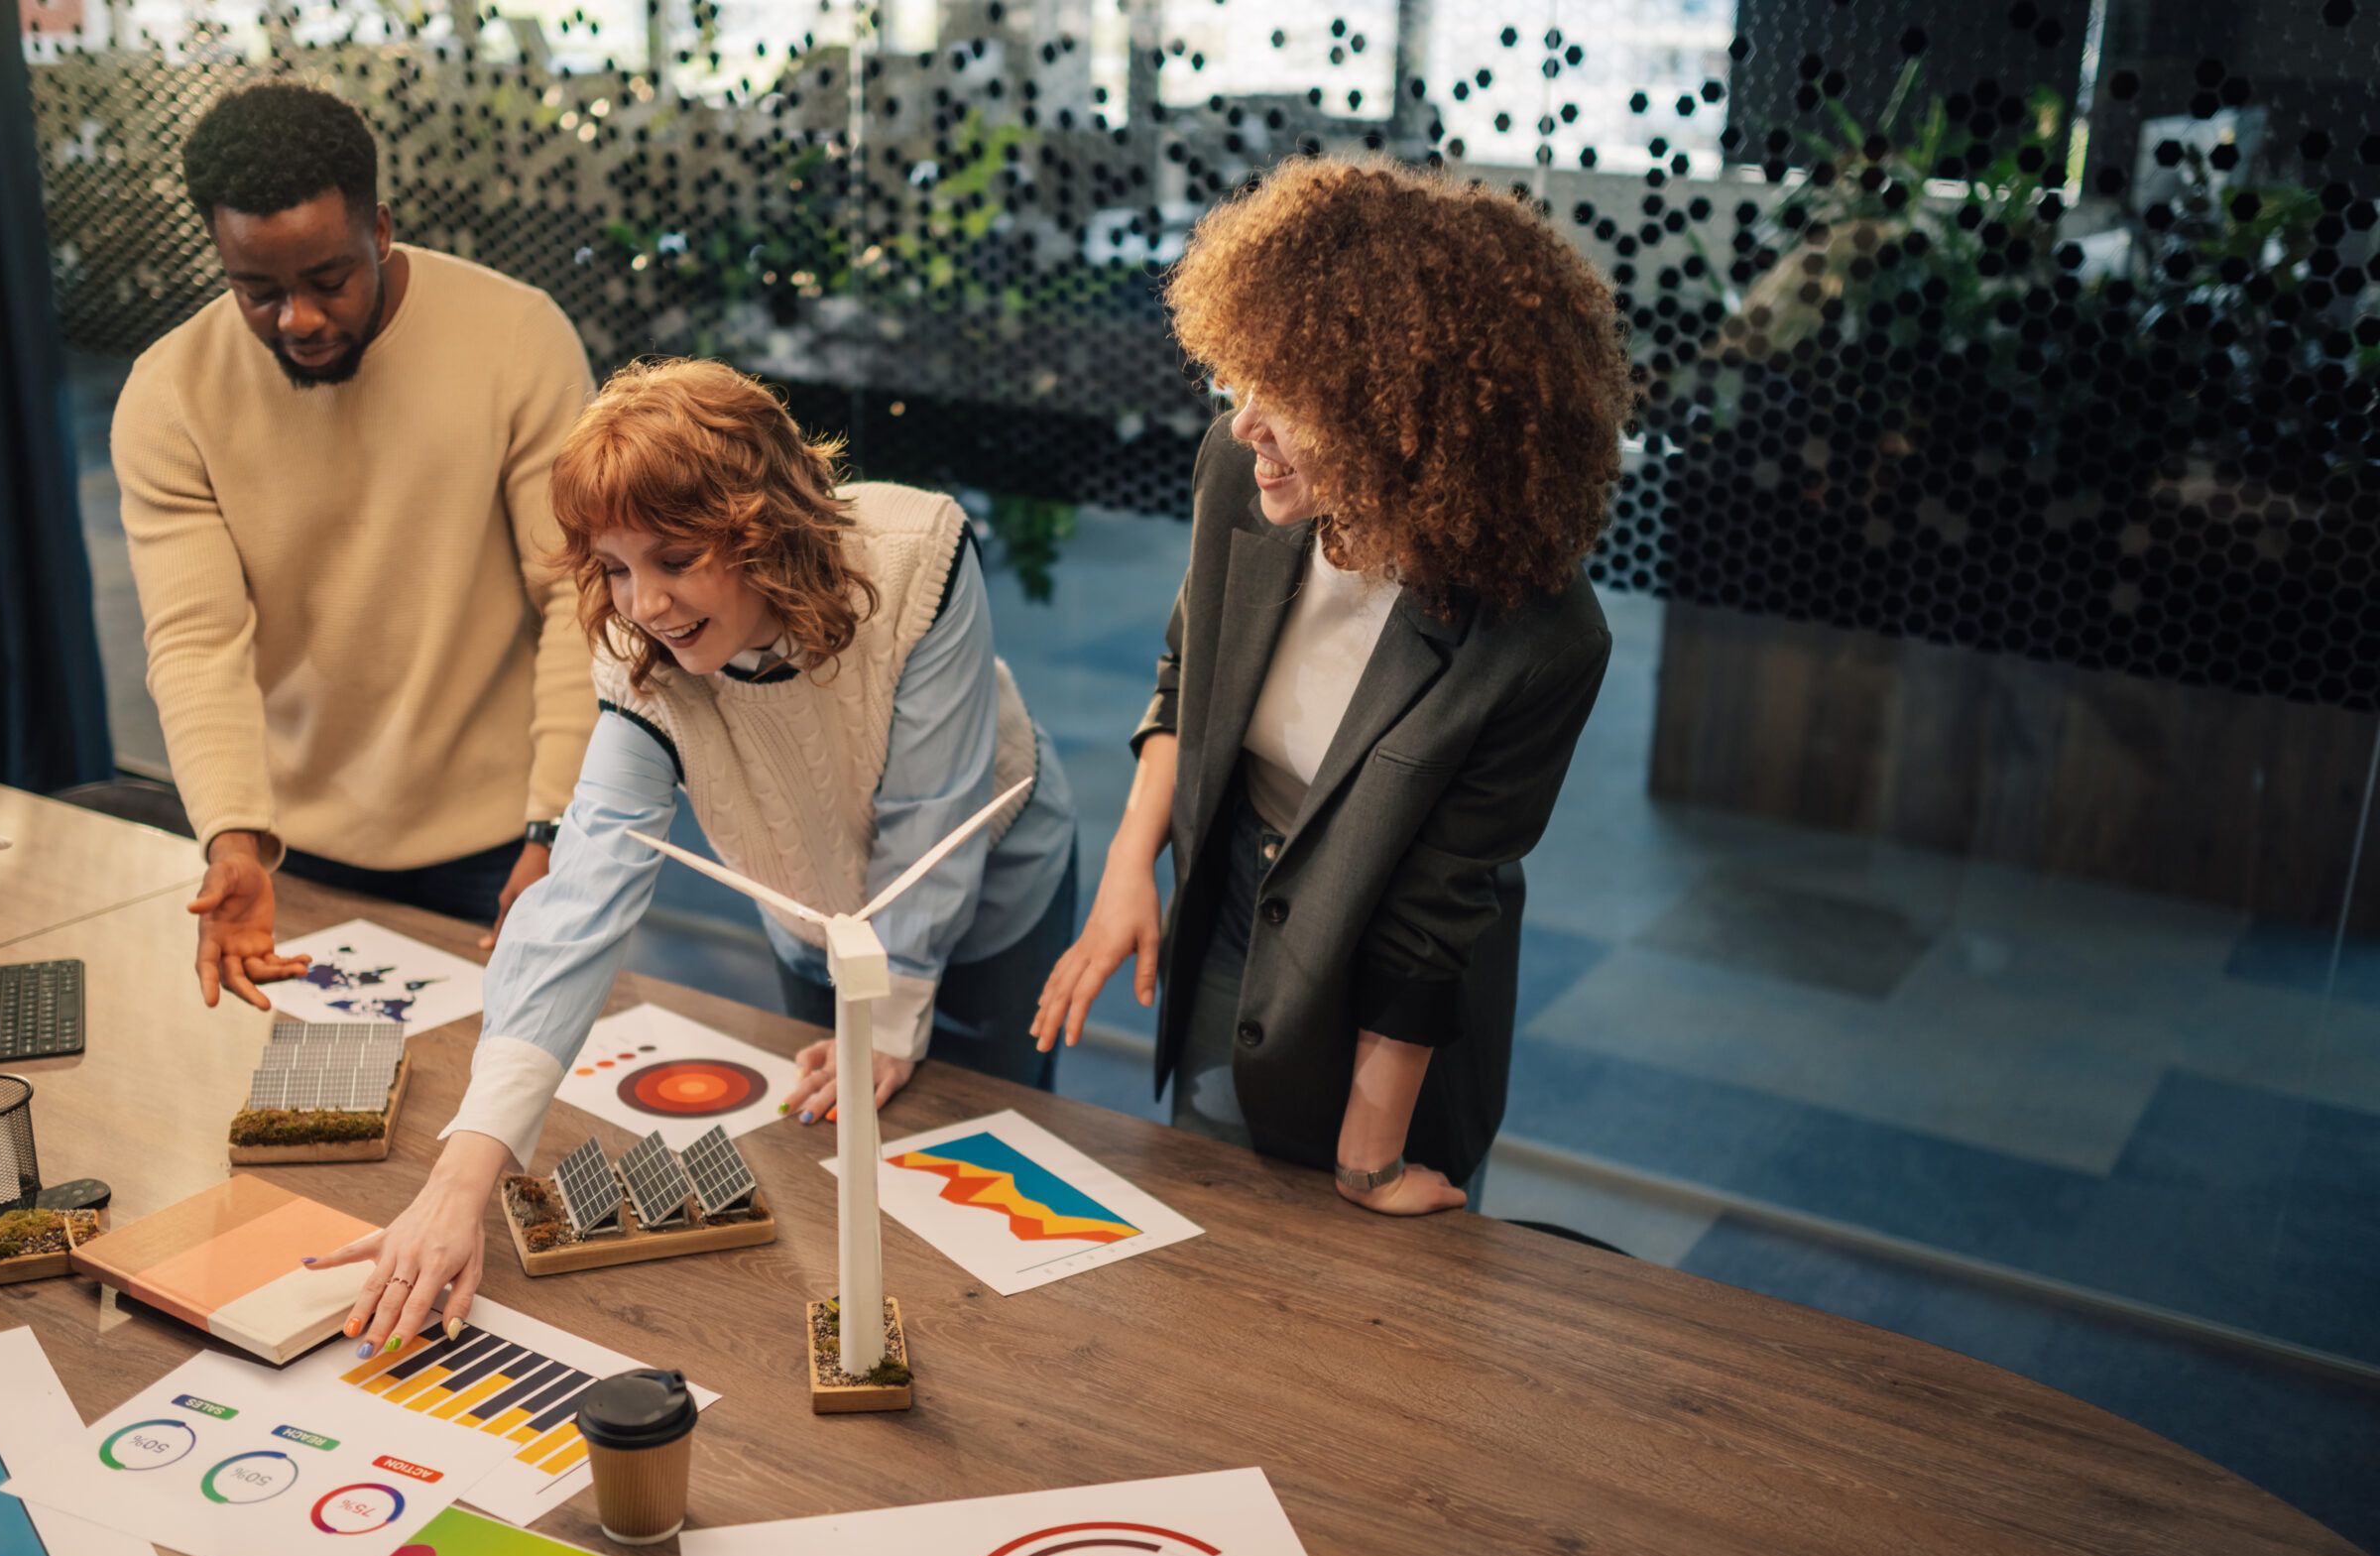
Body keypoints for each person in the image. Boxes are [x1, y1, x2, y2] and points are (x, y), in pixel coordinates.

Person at [312, 360, 1077, 1347]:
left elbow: (933, 808)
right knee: (844, 1165)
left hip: (990, 888)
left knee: (987, 1164)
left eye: (675, 558)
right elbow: (581, 894)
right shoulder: (638, 662)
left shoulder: (914, 553)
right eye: (616, 567)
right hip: (813, 906)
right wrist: (462, 1175)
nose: (646, 604)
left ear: (761, 527)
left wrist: (888, 1016)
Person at [1032, 157, 1628, 1215]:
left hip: (1396, 969)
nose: (1245, 419)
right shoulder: (1239, 471)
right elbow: (1188, 678)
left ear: (1408, 419)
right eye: (1243, 373)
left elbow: (1435, 907)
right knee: (1206, 1224)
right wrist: (1131, 868)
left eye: (1292, 394)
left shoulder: (1540, 639)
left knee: (1378, 1311)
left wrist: (1371, 1152)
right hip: (1234, 904)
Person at [113, 83, 597, 1008]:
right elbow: (195, 645)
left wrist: (558, 828)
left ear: (379, 228)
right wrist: (232, 837)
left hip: (509, 838)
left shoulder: (515, 338)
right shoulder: (169, 395)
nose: (296, 318)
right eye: (257, 291)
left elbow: (577, 599)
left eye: (327, 280)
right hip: (295, 849)